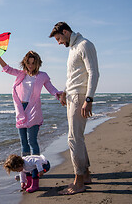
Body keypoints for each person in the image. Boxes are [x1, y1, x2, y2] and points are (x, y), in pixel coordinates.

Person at [49, 22, 99, 195]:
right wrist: (64, 92)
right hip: (71, 96)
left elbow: (94, 73)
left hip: (80, 97)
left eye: (59, 39)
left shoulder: (85, 45)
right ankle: (85, 175)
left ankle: (78, 182)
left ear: (65, 32)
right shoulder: (73, 48)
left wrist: (89, 99)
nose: (59, 42)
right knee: (77, 137)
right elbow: (73, 76)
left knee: (73, 138)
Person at [0, 48, 62, 156]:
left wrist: (59, 95)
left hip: (33, 110)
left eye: (33, 63)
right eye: (28, 63)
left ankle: (36, 168)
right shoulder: (21, 74)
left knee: (32, 141)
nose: (31, 66)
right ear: (25, 63)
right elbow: (7, 68)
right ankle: (26, 169)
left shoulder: (43, 76)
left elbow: (51, 88)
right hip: (21, 110)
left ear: (37, 63)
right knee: (23, 142)